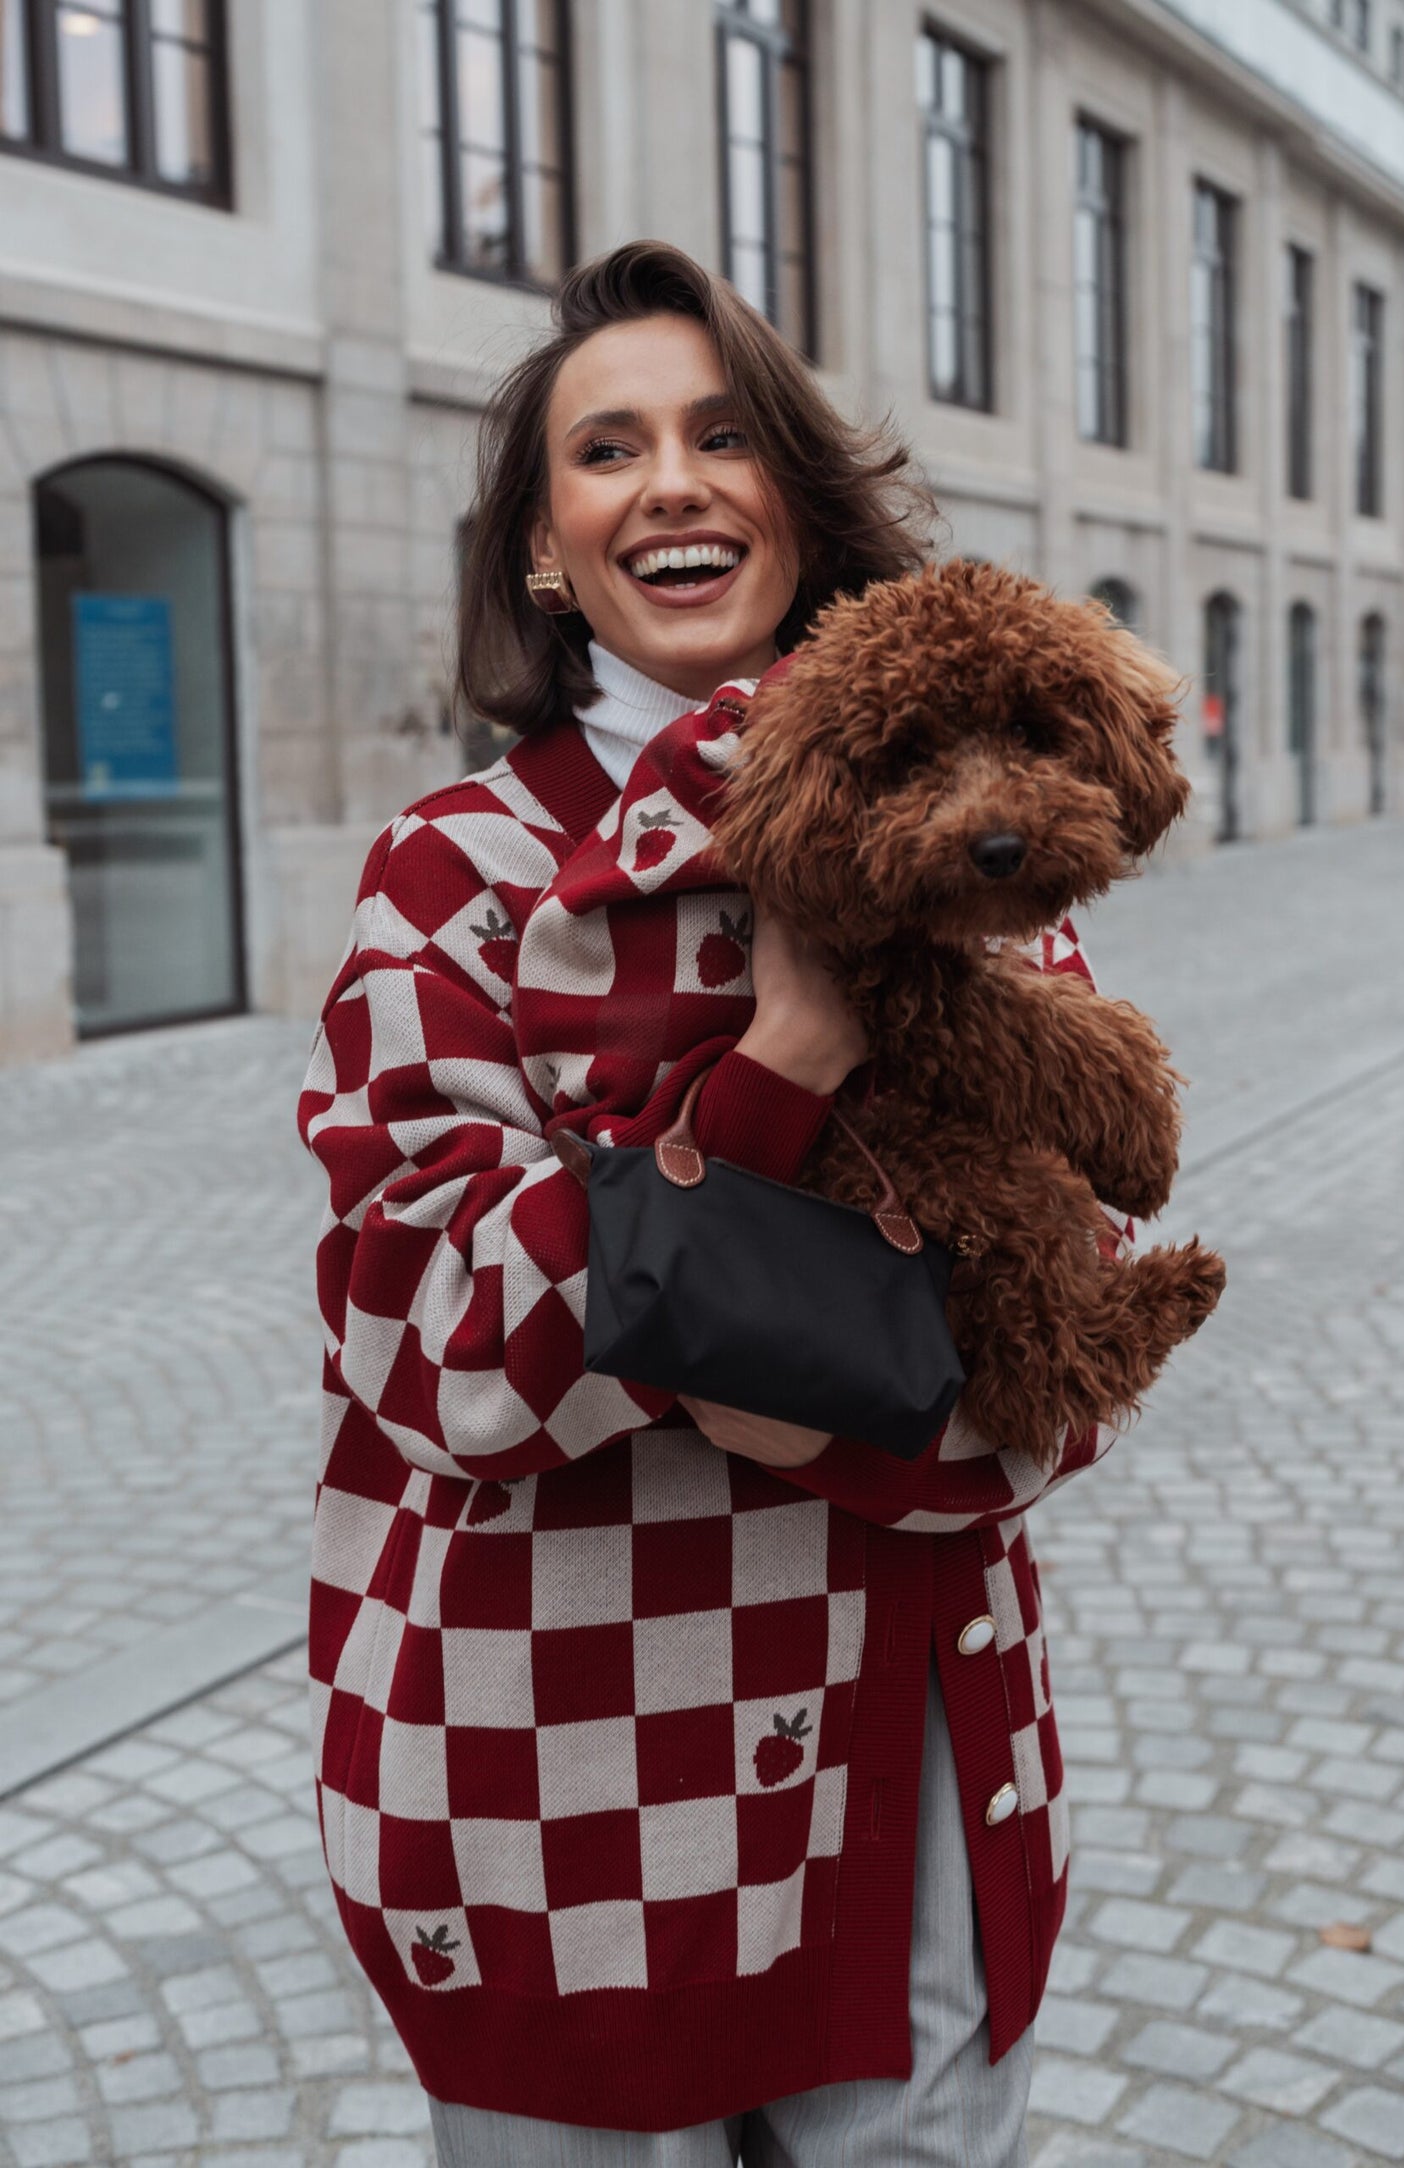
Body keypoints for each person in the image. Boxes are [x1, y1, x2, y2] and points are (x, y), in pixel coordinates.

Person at [298, 241, 1115, 2166]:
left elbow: (1055, 1352)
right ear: (538, 546)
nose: (671, 479)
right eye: (607, 448)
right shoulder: (451, 876)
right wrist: (789, 1055)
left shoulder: (977, 842)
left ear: (792, 502)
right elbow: (444, 1361)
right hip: (547, 1769)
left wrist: (692, 1339)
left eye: (721, 433)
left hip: (896, 1751)